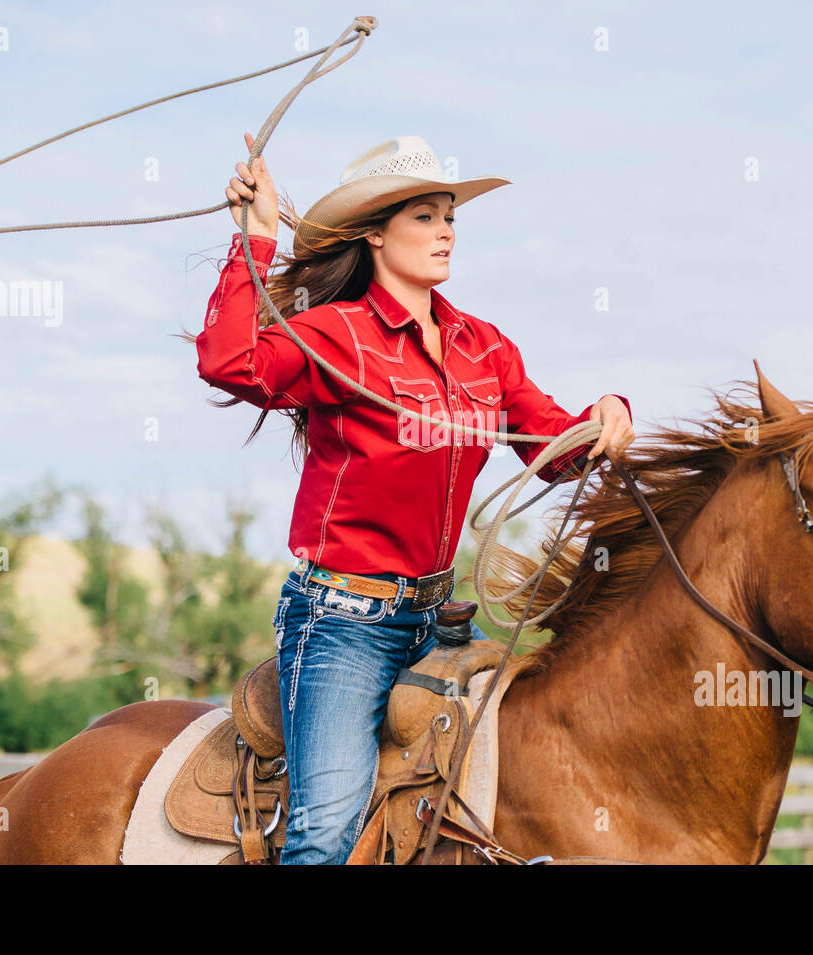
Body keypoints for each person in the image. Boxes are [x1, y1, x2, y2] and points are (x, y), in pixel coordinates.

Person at [190, 133, 635, 864]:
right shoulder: (339, 337)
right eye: (425, 217)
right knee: (326, 834)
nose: (446, 232)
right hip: (342, 622)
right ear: (375, 231)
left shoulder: (484, 349)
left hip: (440, 620)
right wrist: (259, 238)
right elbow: (231, 359)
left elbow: (555, 447)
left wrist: (609, 414)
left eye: (450, 216)